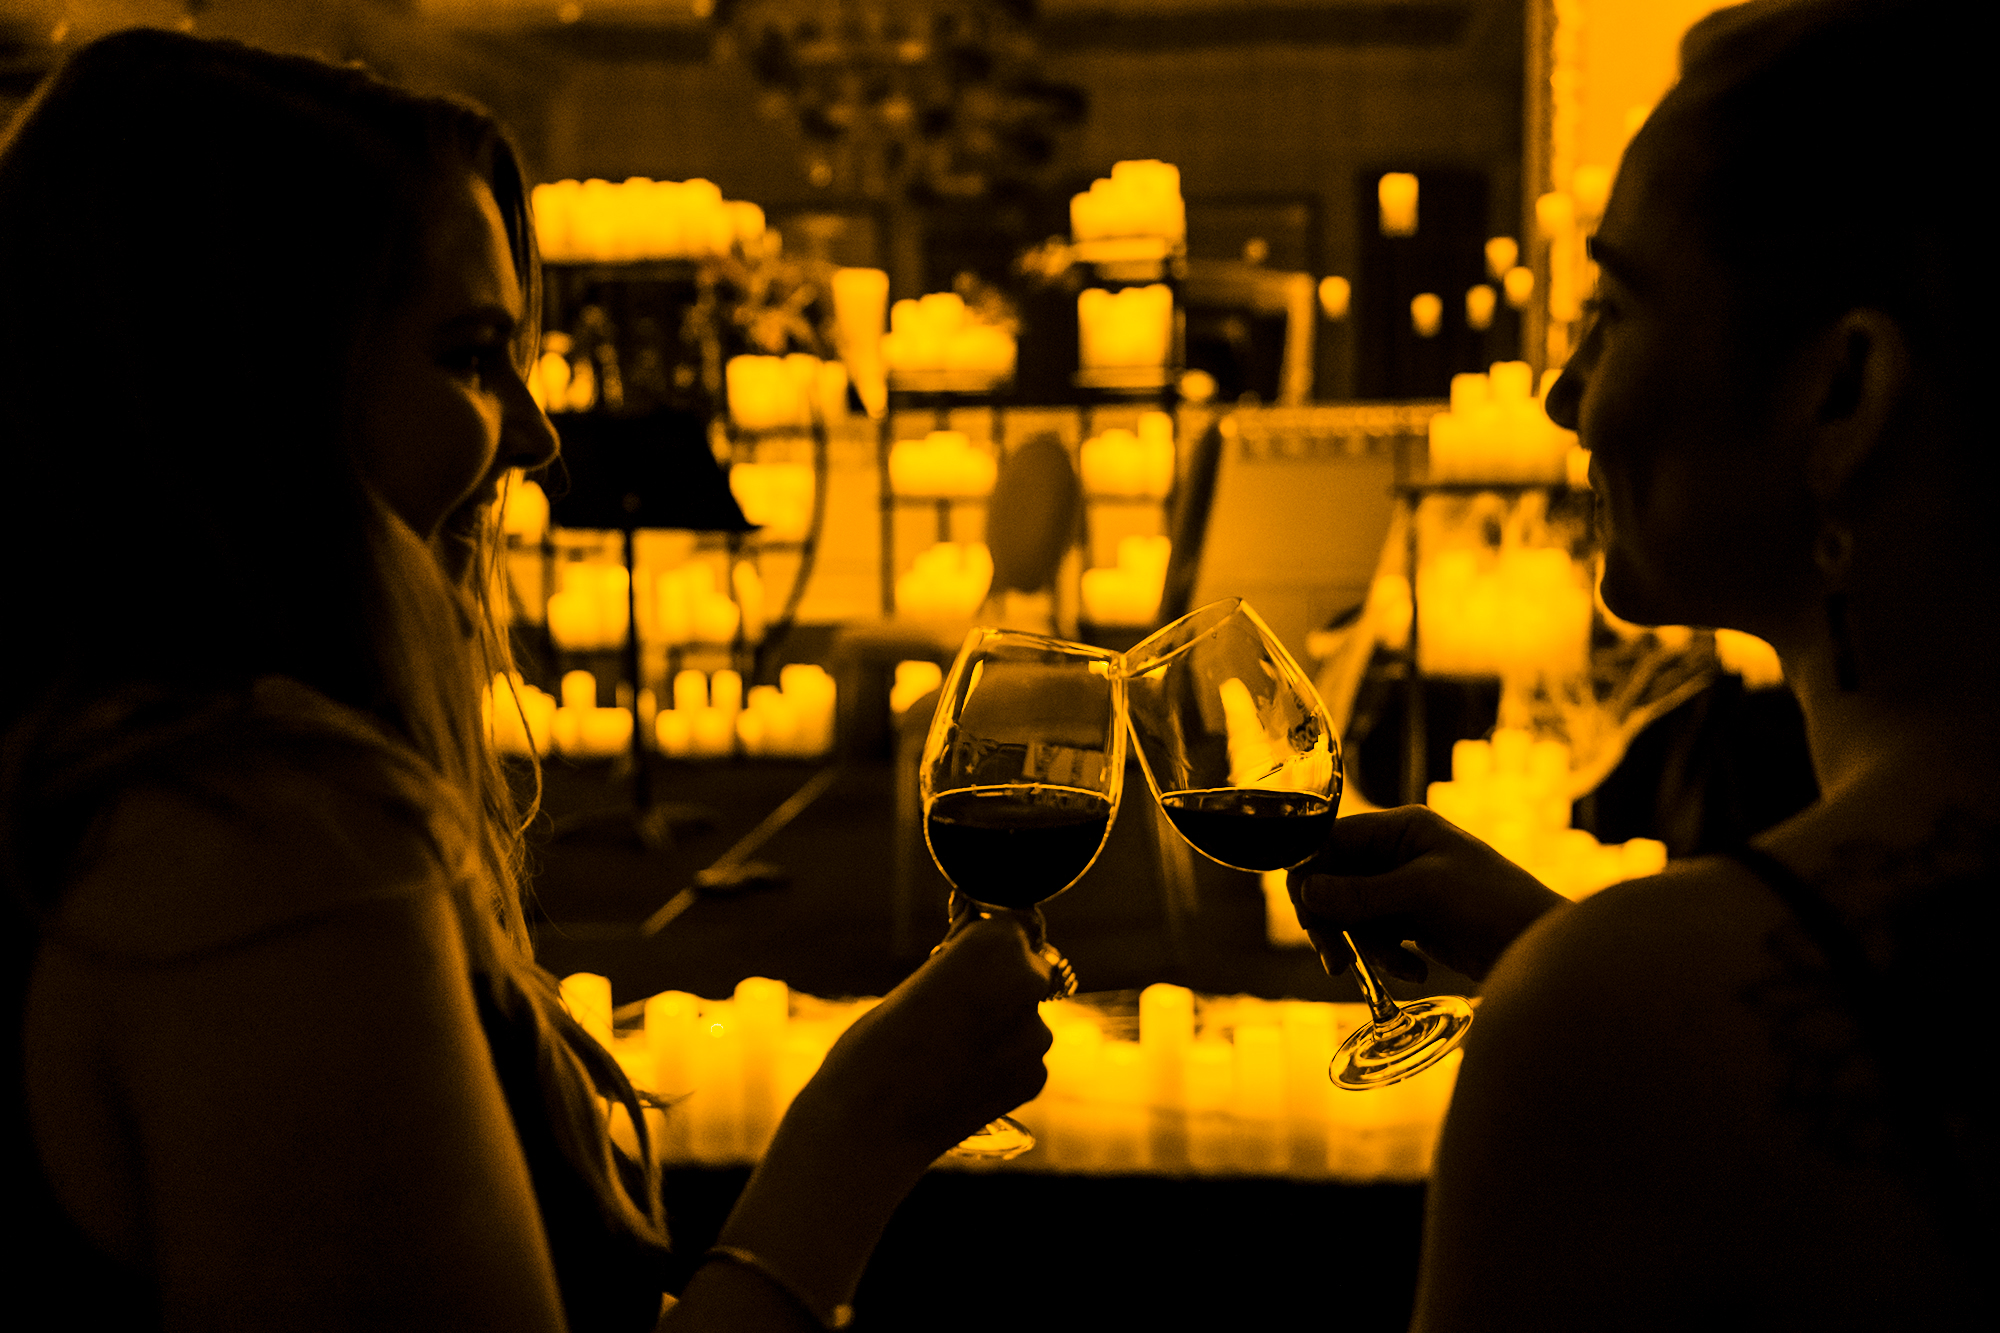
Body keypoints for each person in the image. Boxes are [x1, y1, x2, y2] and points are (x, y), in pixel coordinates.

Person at [0, 28, 1052, 1332]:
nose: (541, 436)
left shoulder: (94, 777)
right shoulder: (270, 840)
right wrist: (863, 1130)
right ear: (251, 384)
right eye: (469, 353)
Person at [1294, 1, 1990, 1326]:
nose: (1565, 395)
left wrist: (1590, 993)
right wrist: (1554, 947)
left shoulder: (1614, 1025)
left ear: (1843, 392)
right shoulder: (1638, 994)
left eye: (1612, 310)